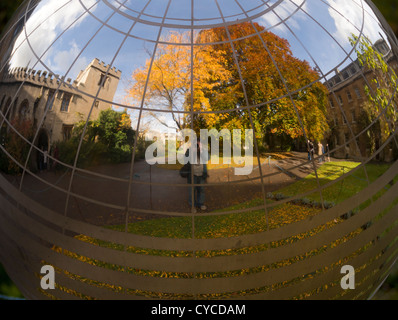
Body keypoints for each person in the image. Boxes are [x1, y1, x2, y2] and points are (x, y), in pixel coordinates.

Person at [185, 141, 208, 212]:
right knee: (192, 191)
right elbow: (185, 159)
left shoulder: (203, 150)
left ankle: (200, 204)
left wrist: (202, 150)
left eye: (199, 144)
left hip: (201, 174)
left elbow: (208, 158)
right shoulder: (189, 150)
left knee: (201, 190)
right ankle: (192, 206)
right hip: (192, 174)